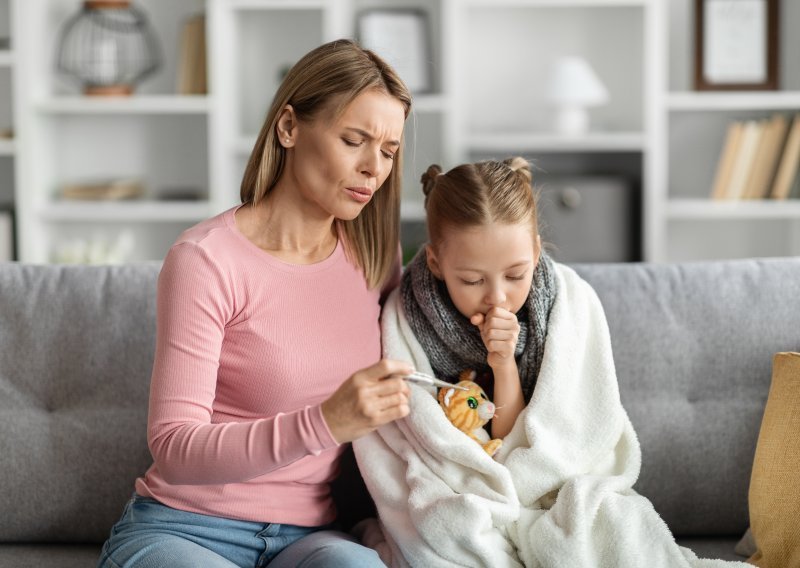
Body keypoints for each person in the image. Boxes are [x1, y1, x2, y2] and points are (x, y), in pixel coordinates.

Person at [97, 39, 414, 568]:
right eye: (353, 140)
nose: (372, 169)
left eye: (388, 151)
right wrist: (324, 422)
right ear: (289, 127)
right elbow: (173, 446)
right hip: (186, 528)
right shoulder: (206, 259)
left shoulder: (375, 257)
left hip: (307, 535)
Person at [401, 157, 555, 438]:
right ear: (436, 264)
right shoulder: (409, 314)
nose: (497, 297)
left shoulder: (561, 310)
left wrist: (504, 364)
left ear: (535, 253)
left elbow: (517, 445)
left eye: (515, 275)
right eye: (472, 280)